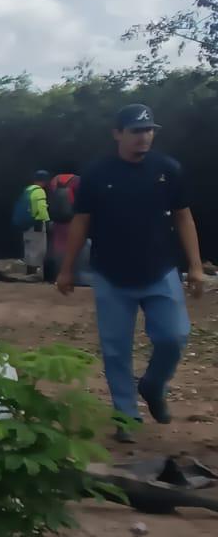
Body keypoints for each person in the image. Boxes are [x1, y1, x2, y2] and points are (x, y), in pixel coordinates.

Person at [57, 104, 205, 440]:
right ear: (118, 134)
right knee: (116, 350)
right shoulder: (97, 174)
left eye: (149, 130)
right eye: (136, 131)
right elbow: (81, 222)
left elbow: (184, 217)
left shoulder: (167, 169)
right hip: (111, 274)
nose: (144, 137)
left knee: (174, 336)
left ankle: (153, 384)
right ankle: (126, 417)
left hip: (160, 269)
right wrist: (67, 269)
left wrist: (195, 266)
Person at [19, 170, 51, 276]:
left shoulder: (28, 189)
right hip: (37, 223)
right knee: (39, 248)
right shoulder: (39, 191)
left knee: (28, 246)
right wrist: (47, 221)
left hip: (26, 222)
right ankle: (34, 272)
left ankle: (29, 270)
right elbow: (41, 208)